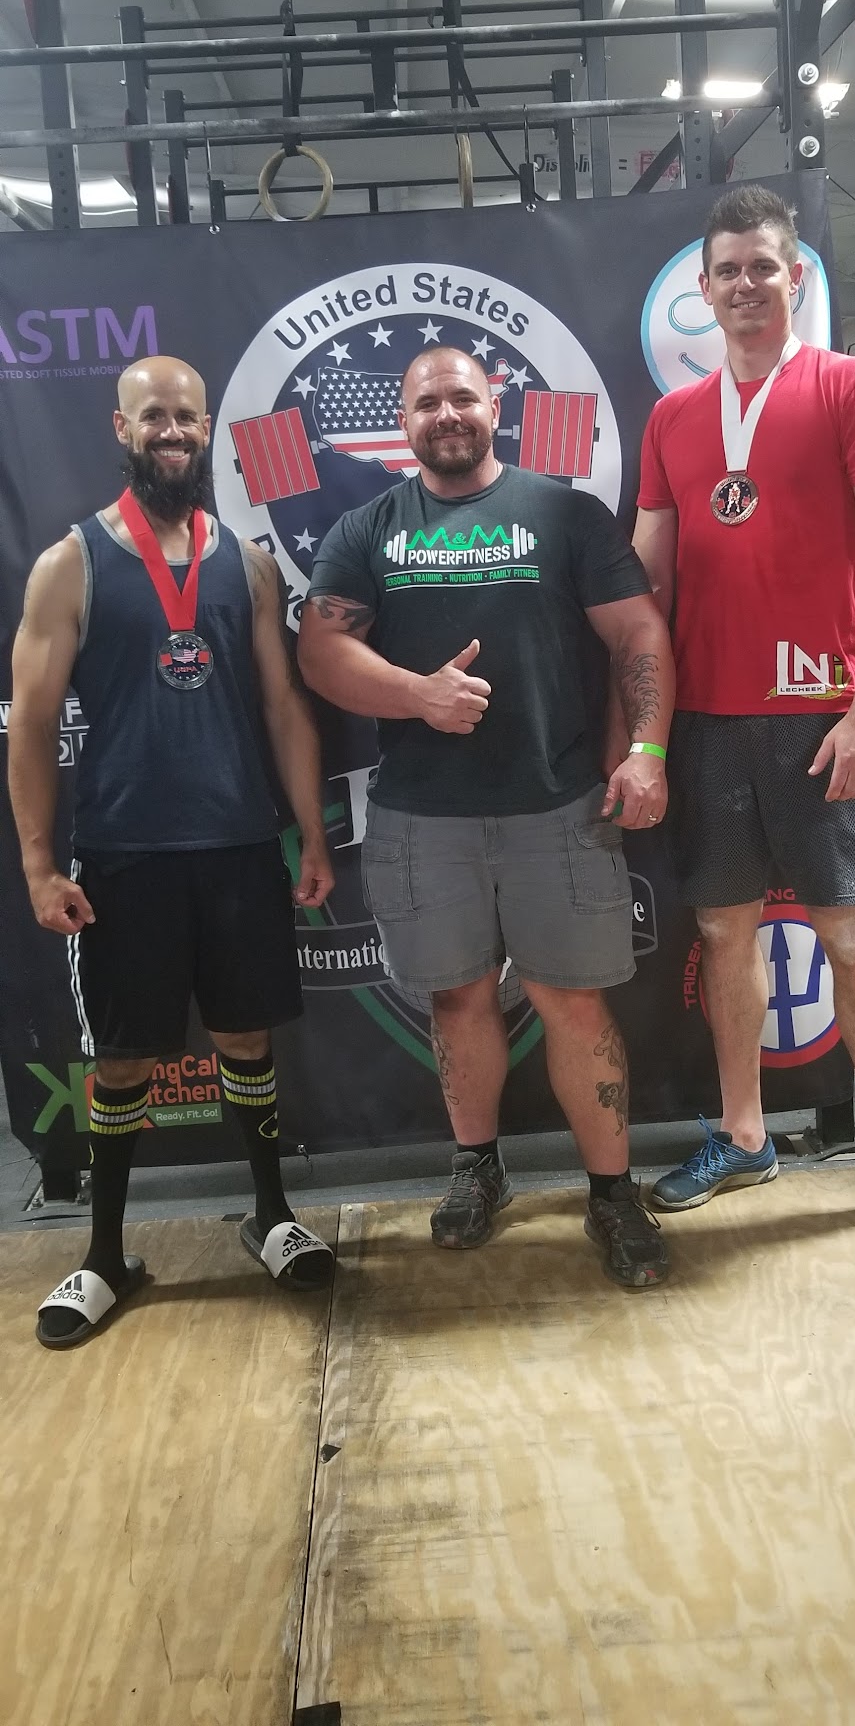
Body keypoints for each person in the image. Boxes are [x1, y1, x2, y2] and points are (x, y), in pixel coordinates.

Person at [298, 345, 676, 1288]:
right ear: (404, 422)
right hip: (423, 819)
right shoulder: (367, 528)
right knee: (458, 1000)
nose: (447, 414)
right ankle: (478, 1169)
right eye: (427, 403)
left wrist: (647, 750)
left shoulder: (564, 513)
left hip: (559, 806)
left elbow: (638, 630)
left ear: (494, 403)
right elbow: (321, 652)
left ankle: (612, 1192)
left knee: (573, 1004)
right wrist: (418, 696)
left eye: (462, 396)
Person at [632, 184, 855, 1264]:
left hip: (821, 717)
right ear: (703, 287)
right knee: (724, 932)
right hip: (709, 719)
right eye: (727, 269)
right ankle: (744, 1132)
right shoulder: (674, 418)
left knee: (850, 938)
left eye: (764, 265)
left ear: (796, 276)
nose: (746, 284)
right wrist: (642, 730)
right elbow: (646, 583)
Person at [8, 355, 336, 1349]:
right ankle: (107, 1254)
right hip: (125, 856)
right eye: (153, 415)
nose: (172, 431)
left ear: (206, 429)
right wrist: (38, 866)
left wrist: (312, 831)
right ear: (122, 428)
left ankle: (270, 1216)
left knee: (246, 1039)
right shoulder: (69, 563)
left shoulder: (248, 563)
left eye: (187, 416)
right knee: (122, 1059)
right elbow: (30, 726)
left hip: (237, 848)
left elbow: (283, 705)